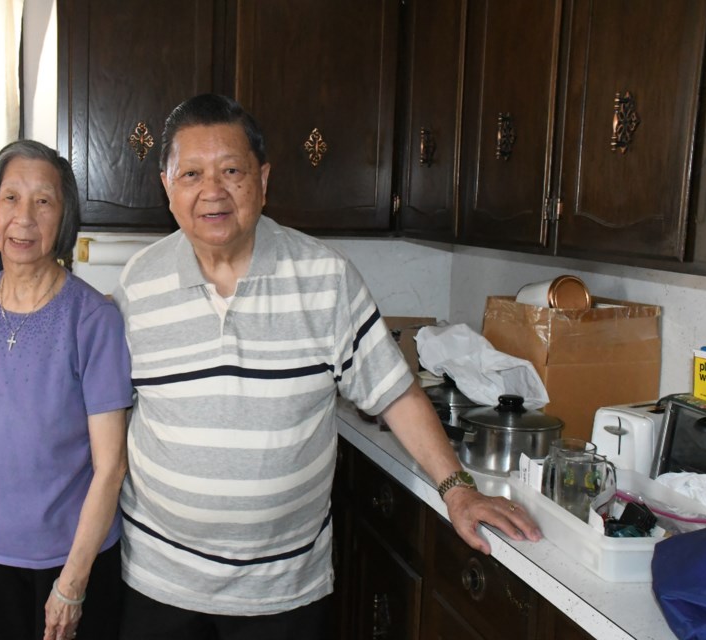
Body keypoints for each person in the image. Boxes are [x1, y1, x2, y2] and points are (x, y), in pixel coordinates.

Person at [112, 93, 544, 639]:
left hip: (284, 588)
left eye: (232, 170)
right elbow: (106, 417)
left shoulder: (326, 276)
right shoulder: (136, 284)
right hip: (160, 581)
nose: (212, 191)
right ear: (167, 187)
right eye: (191, 173)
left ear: (263, 180)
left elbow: (397, 394)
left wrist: (457, 488)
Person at [0, 139, 133, 640]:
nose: (25, 217)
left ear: (63, 218)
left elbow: (111, 466)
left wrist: (73, 583)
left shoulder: (93, 318)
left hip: (75, 563)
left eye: (43, 201)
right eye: (10, 198)